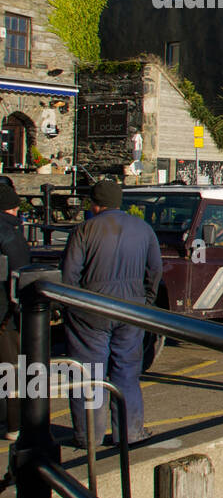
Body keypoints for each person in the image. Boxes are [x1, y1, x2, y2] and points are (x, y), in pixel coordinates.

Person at [61, 180, 163, 449]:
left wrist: (72, 307)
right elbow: (154, 271)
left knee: (89, 373)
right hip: (131, 309)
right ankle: (129, 432)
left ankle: (89, 436)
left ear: (95, 205)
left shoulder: (84, 230)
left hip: (91, 310)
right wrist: (146, 301)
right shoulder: (143, 229)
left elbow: (69, 276)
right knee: (127, 371)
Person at [0, 184, 31, 440]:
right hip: (5, 316)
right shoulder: (10, 233)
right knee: (10, 369)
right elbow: (21, 274)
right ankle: (13, 424)